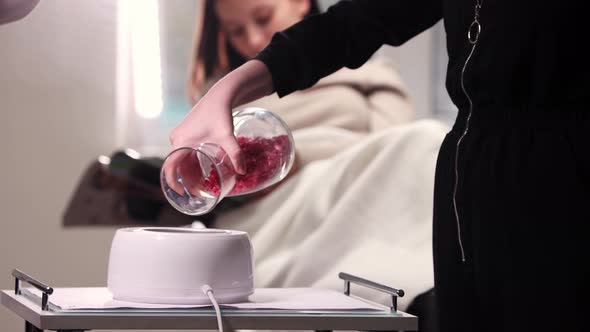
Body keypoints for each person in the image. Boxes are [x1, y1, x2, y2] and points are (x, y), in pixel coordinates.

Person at [169, 1, 589, 331]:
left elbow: (383, 140)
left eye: (261, 17)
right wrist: (224, 94)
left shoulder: (373, 84)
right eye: (236, 29)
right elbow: (354, 23)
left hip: (559, 184)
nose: (250, 35)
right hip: (465, 187)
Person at [186, 0, 413, 181]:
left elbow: (395, 150)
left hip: (358, 186)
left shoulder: (374, 76)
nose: (253, 40)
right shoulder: (220, 99)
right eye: (236, 31)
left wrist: (294, 158)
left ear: (301, 1)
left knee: (423, 139)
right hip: (274, 207)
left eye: (263, 18)